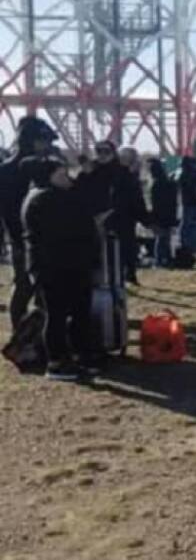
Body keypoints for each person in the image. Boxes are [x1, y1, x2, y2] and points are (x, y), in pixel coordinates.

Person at [22, 157, 100, 380]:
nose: (68, 179)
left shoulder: (45, 196)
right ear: (48, 177)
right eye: (61, 175)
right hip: (55, 266)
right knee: (57, 315)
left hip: (67, 263)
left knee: (76, 312)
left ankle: (76, 356)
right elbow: (70, 226)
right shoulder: (44, 199)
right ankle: (57, 362)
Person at [0, 117, 56, 331]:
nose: (46, 146)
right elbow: (8, 209)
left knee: (38, 288)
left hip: (40, 238)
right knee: (26, 287)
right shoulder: (11, 171)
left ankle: (34, 335)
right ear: (31, 141)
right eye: (43, 141)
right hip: (25, 238)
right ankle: (23, 336)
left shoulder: (11, 169)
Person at [76, 140, 148, 285]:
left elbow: (134, 197)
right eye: (99, 151)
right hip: (94, 220)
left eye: (106, 151)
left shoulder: (122, 172)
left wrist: (145, 218)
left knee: (122, 253)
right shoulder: (89, 171)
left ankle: (125, 278)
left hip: (121, 220)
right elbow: (78, 193)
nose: (102, 155)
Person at [147, 158, 179, 267]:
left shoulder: (155, 184)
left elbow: (153, 201)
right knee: (166, 238)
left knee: (160, 238)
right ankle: (166, 258)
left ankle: (159, 260)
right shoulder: (168, 182)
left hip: (158, 213)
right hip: (169, 212)